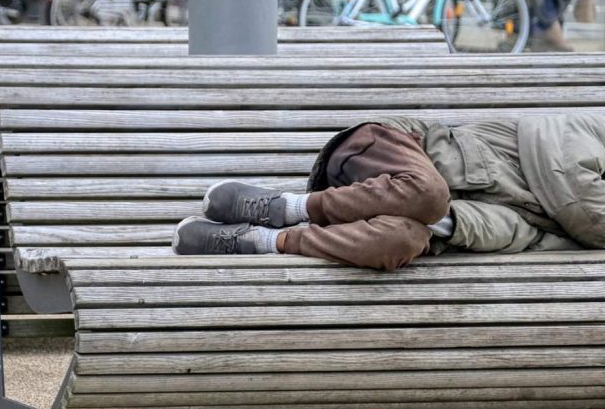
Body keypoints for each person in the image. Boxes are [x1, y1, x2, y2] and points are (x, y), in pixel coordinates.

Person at [172, 114, 605, 271]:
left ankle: (260, 240)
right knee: (429, 194)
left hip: (411, 211)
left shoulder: (567, 225)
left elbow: (513, 233)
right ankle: (288, 207)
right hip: (384, 151)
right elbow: (578, 196)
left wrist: (447, 228)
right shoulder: (586, 134)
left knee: (403, 241)